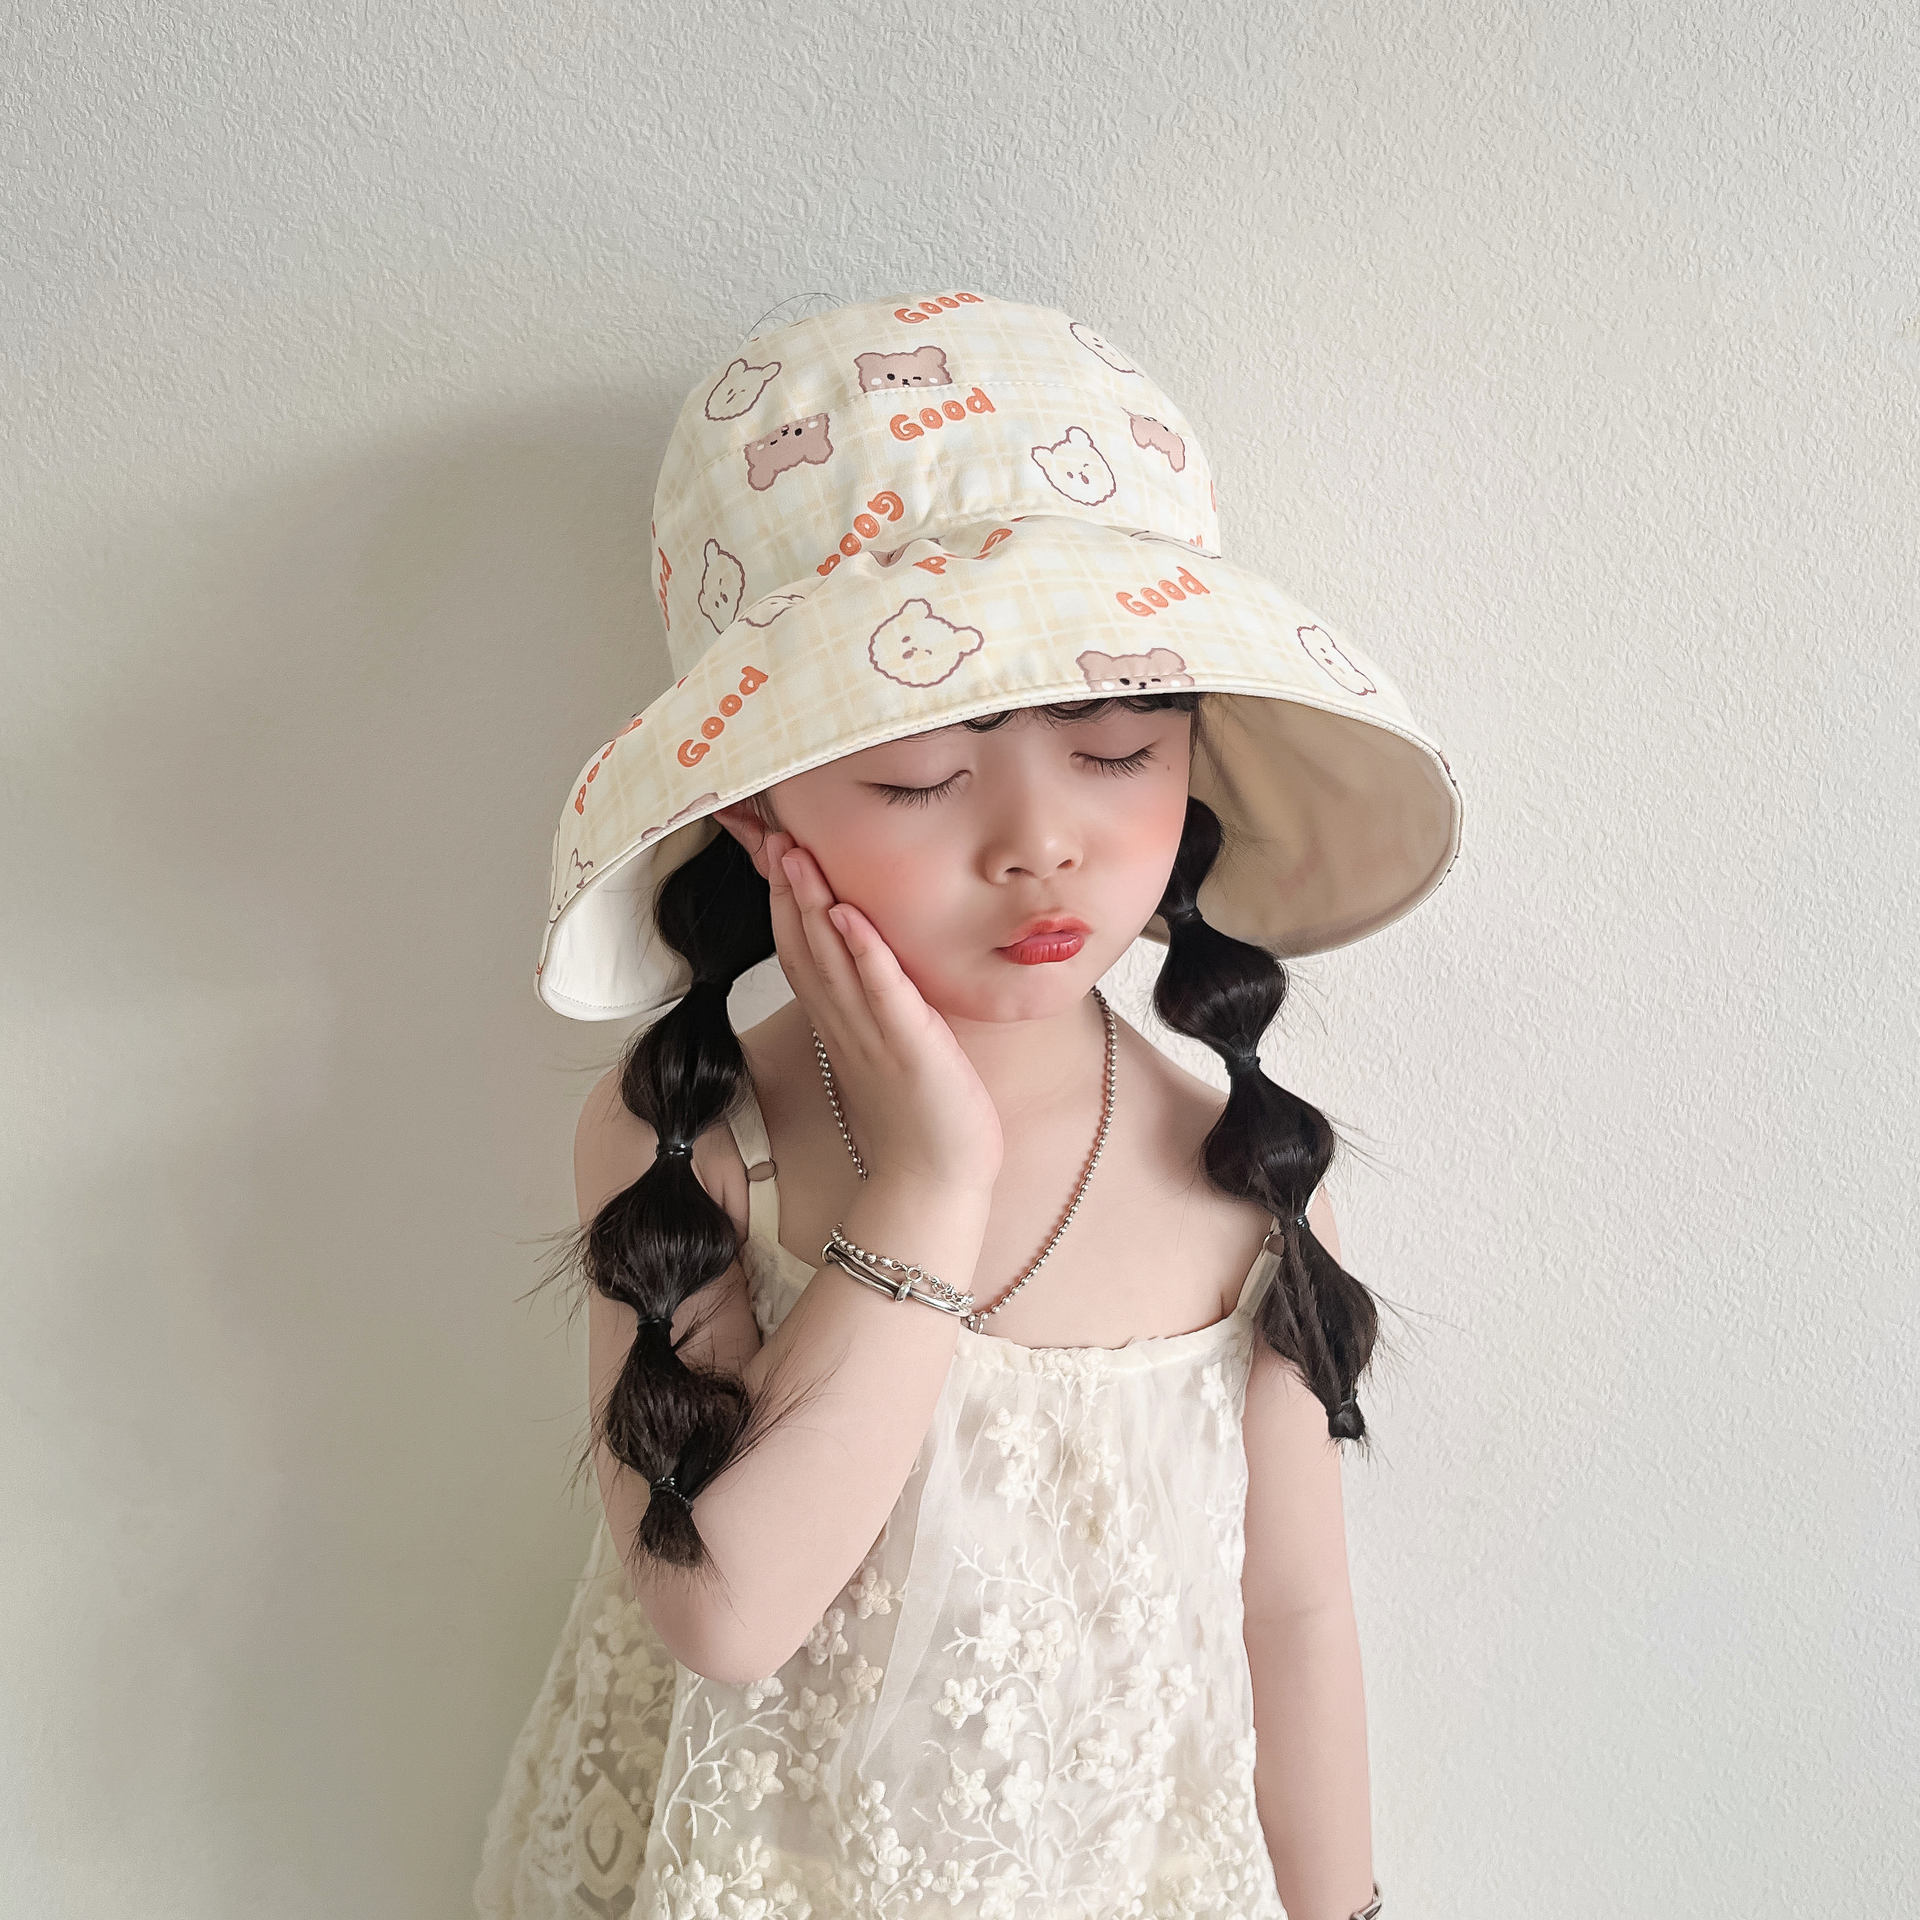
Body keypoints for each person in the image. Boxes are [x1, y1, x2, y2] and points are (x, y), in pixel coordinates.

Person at [475, 290, 1461, 1920]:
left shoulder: (1247, 1186)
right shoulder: (693, 1148)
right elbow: (727, 1615)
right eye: (922, 778)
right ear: (755, 812)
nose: (1038, 844)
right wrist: (926, 1187)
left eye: (1118, 750)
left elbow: (1290, 1617)